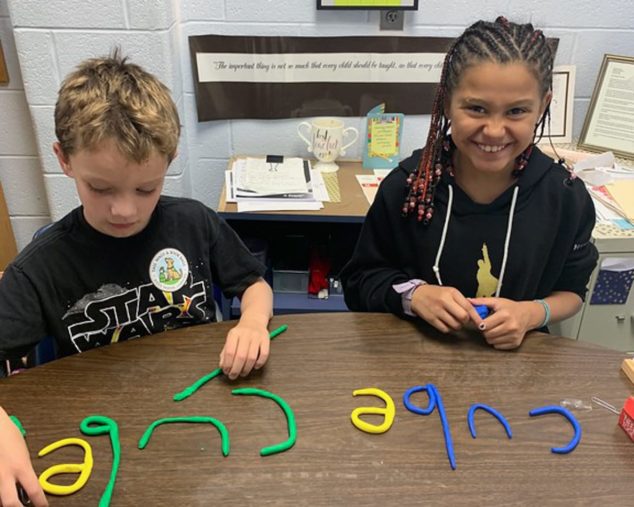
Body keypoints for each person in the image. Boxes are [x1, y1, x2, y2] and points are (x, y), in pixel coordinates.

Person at [0, 50, 273, 506]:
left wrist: (252, 322)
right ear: (64, 160)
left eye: (147, 188)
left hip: (210, 426)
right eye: (100, 188)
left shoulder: (194, 223)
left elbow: (253, 285)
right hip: (103, 445)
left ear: (169, 159)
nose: (124, 210)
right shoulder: (41, 268)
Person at [341, 17, 599, 351]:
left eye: (517, 111)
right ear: (447, 100)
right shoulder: (408, 187)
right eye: (476, 108)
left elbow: (573, 293)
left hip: (516, 367)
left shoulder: (566, 198)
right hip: (411, 363)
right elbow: (359, 282)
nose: (494, 130)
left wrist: (531, 314)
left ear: (543, 106)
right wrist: (414, 295)